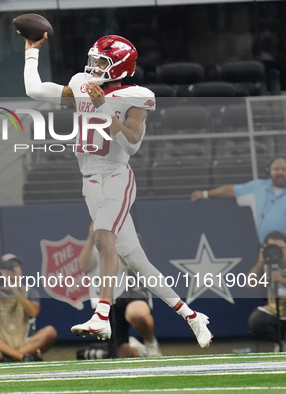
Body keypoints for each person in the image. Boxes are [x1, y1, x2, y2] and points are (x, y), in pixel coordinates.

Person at [22, 33, 212, 348]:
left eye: (102, 62)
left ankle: (101, 315)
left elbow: (132, 145)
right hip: (89, 180)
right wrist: (31, 53)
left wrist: (103, 109)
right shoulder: (83, 84)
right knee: (137, 261)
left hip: (116, 175)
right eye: (93, 59)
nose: (94, 66)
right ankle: (193, 317)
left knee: (103, 237)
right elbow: (34, 90)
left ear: (120, 67)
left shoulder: (137, 96)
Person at [78, 223, 162, 358]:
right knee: (121, 352)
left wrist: (114, 239)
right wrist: (90, 238)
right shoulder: (95, 243)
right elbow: (84, 265)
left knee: (136, 314)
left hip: (131, 291)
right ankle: (138, 351)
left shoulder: (131, 237)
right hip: (109, 298)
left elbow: (131, 264)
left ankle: (150, 342)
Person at [0, 254, 57, 362]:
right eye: (9, 267)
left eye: (16, 266)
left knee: (50, 331)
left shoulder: (29, 291)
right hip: (1, 344)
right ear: (1, 271)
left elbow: (33, 312)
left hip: (26, 344)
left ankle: (11, 357)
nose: (14, 269)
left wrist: (14, 289)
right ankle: (22, 357)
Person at [192, 158, 286, 244]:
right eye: (276, 169)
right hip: (264, 246)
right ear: (269, 171)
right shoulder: (257, 187)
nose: (280, 172)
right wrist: (205, 194)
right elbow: (231, 190)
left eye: (284, 169)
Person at [247, 230, 286, 351]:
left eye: (281, 248)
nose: (278, 251)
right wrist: (260, 262)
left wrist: (282, 280)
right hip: (275, 312)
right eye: (273, 248)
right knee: (256, 321)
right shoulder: (267, 264)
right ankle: (282, 343)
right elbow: (250, 284)